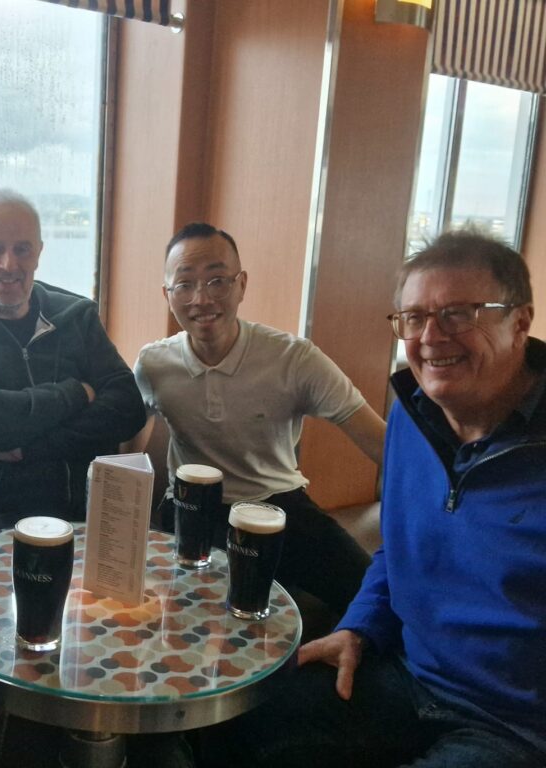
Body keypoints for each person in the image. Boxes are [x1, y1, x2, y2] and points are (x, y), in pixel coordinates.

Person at [209, 230, 545, 767]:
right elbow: (398, 550)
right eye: (413, 318)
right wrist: (359, 627)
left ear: (520, 321)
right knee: (228, 719)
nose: (431, 336)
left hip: (513, 725)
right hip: (405, 674)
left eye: (458, 313)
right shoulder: (413, 418)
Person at [134, 223, 386, 614]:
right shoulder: (153, 364)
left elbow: (380, 442)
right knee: (193, 616)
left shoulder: (294, 359)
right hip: (192, 512)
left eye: (217, 280)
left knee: (374, 600)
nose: (201, 298)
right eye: (184, 285)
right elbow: (128, 451)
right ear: (168, 295)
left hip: (277, 505)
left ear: (241, 285)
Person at [0, 188, 146, 540]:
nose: (9, 264)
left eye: (22, 248)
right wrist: (75, 393)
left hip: (88, 518)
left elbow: (128, 407)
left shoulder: (77, 316)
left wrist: (32, 447)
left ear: (38, 252)